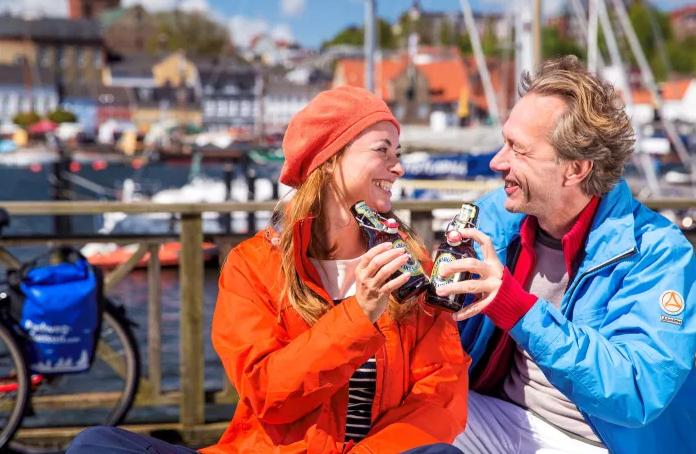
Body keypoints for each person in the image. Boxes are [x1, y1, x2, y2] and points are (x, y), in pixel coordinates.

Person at [67, 86, 469, 454]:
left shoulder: (415, 271)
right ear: (329, 160)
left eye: (397, 153)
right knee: (94, 445)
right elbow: (267, 394)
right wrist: (359, 314)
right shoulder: (254, 265)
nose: (397, 167)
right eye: (383, 150)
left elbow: (439, 397)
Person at [436, 56, 696, 454]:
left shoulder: (659, 252)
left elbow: (637, 388)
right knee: (402, 422)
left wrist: (520, 311)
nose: (497, 162)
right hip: (504, 415)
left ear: (575, 170)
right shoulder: (495, 216)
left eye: (518, 150)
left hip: (597, 441)